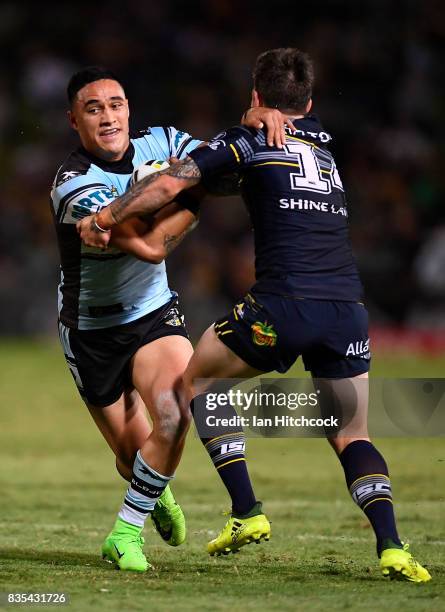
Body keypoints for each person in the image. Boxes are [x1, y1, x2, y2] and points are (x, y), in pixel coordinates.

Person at [77, 49, 431, 583]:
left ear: (256, 95)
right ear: (309, 103)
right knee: (352, 431)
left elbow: (173, 182)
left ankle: (245, 510)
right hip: (348, 312)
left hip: (283, 304)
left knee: (196, 381)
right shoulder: (325, 143)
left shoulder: (245, 142)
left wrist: (106, 214)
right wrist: (258, 116)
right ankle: (393, 547)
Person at [51, 65, 290, 572]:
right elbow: (148, 245)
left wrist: (255, 121)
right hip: (91, 330)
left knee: (176, 410)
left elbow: (223, 163)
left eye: (116, 104)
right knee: (129, 452)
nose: (108, 117)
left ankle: (123, 534)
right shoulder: (72, 187)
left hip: (153, 313)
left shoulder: (161, 139)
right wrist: (190, 193)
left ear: (129, 109)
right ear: (74, 121)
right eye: (93, 109)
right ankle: (152, 489)